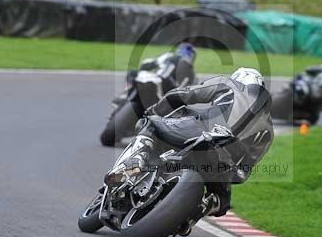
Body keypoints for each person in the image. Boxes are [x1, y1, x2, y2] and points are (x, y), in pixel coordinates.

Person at [105, 67, 273, 217]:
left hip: (200, 130)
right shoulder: (269, 129)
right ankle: (201, 209)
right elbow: (246, 169)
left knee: (151, 124)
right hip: (224, 164)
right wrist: (230, 175)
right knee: (221, 203)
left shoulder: (230, 85)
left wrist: (155, 111)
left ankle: (136, 161)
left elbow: (185, 94)